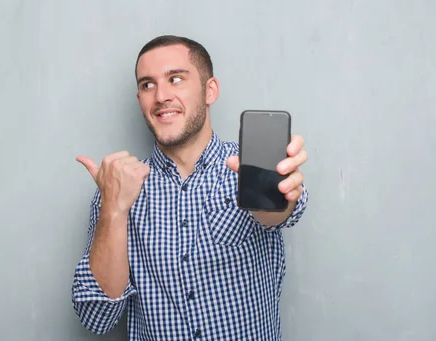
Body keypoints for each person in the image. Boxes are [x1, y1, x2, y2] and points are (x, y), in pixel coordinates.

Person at [71, 35, 309, 340]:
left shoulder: (248, 168)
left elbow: (280, 213)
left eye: (176, 79)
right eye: (147, 85)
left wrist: (281, 192)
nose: (160, 96)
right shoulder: (118, 187)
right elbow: (97, 318)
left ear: (210, 90)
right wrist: (114, 210)